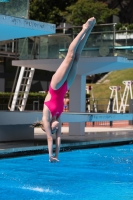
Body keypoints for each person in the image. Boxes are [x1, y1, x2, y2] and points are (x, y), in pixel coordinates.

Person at [31, 17, 96, 162]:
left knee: (70, 56)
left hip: (55, 86)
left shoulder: (46, 117)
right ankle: (90, 30)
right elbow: (59, 138)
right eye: (56, 129)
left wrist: (49, 155)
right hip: (65, 86)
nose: (57, 128)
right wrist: (57, 156)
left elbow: (50, 138)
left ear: (49, 127)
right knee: (77, 58)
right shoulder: (59, 117)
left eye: (54, 129)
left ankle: (84, 28)